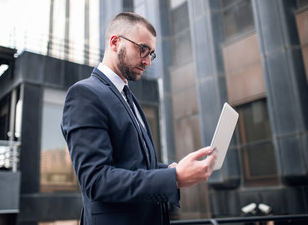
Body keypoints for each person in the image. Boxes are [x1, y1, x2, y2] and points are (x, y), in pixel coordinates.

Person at [61, 12, 218, 225]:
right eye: (143, 49)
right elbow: (96, 180)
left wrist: (171, 170)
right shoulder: (84, 94)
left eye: (151, 54)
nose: (148, 61)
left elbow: (134, 164)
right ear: (115, 42)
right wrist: (174, 178)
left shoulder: (129, 97)